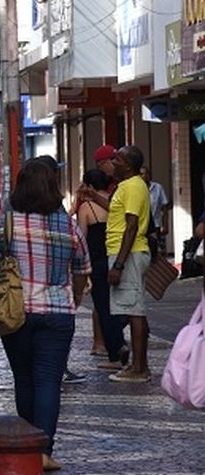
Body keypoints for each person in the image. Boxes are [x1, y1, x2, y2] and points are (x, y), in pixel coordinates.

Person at [0, 159, 91, 471]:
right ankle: (44, 448)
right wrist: (75, 295)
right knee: (48, 381)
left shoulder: (8, 224)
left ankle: (27, 444)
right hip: (57, 313)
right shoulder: (68, 225)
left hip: (17, 312)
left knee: (24, 379)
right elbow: (82, 268)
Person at [104, 146, 152, 383]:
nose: (113, 162)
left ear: (129, 165)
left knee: (135, 311)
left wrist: (119, 264)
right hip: (123, 252)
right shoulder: (126, 186)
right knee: (132, 309)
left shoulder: (133, 186)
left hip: (129, 254)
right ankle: (137, 364)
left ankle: (139, 368)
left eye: (118, 159)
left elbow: (131, 226)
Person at [77, 169, 128, 371]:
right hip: (117, 257)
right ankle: (121, 340)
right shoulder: (115, 201)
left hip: (97, 262)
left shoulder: (87, 208)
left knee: (104, 307)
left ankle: (116, 350)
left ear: (89, 186)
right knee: (120, 303)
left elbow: (82, 238)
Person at [141, 166, 171, 255]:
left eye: (146, 173)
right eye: (142, 174)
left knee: (156, 250)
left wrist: (165, 225)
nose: (144, 176)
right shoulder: (136, 188)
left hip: (155, 225)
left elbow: (164, 207)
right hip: (142, 225)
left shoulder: (157, 187)